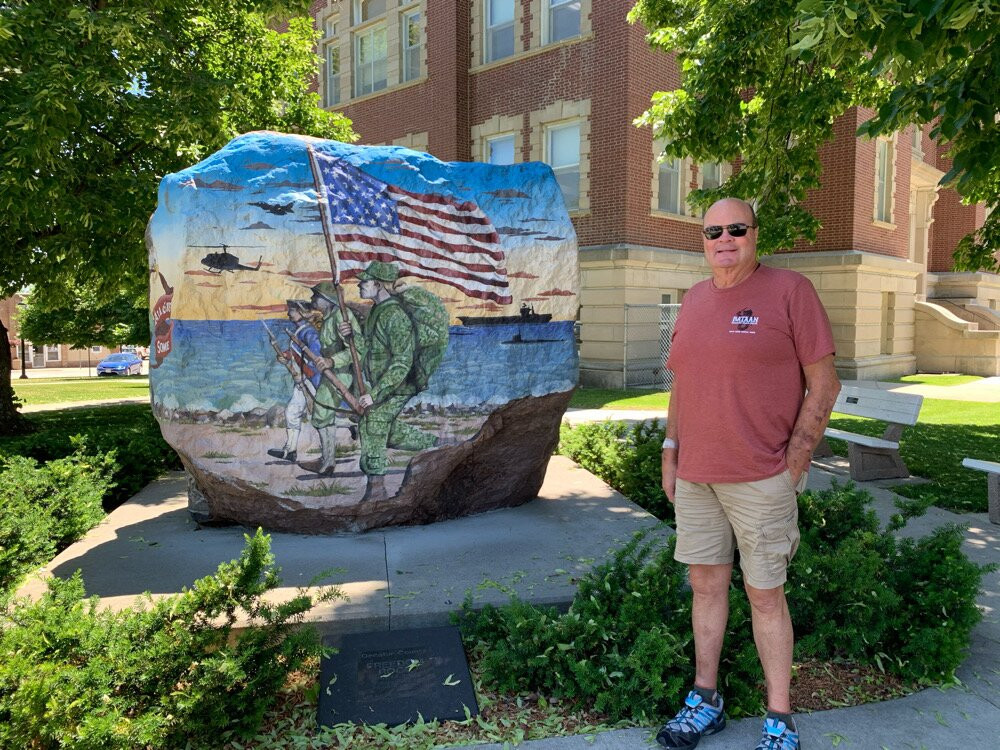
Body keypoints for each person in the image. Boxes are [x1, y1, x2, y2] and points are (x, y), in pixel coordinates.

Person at [657, 198, 841, 750]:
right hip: (697, 476)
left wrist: (794, 464)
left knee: (766, 596)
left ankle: (779, 720)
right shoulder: (692, 299)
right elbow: (683, 386)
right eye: (714, 230)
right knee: (705, 587)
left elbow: (824, 385)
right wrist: (671, 451)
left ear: (755, 234)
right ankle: (704, 701)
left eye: (737, 228)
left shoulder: (790, 292)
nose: (724, 238)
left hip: (762, 478)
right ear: (704, 239)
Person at [337, 261, 438, 502]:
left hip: (398, 385)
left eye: (365, 281)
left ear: (379, 284)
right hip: (383, 384)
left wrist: (376, 393)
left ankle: (377, 490)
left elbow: (402, 362)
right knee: (386, 430)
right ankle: (436, 444)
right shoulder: (377, 311)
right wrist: (351, 337)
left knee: (374, 420)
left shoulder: (395, 315)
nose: (360, 285)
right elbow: (371, 351)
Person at [300, 281, 362, 476]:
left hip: (341, 373)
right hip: (332, 372)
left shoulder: (342, 318)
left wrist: (331, 361)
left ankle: (327, 463)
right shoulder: (328, 317)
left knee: (321, 412)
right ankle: (327, 461)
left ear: (327, 300)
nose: (312, 300)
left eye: (315, 296)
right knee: (322, 413)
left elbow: (357, 351)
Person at [267, 300, 321, 463]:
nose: (288, 314)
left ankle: (351, 426)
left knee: (320, 416)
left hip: (311, 379)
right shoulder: (299, 331)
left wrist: (303, 374)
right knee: (291, 412)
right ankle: (290, 450)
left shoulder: (309, 332)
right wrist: (285, 356)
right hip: (302, 379)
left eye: (291, 310)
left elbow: (314, 358)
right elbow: (295, 352)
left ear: (302, 312)